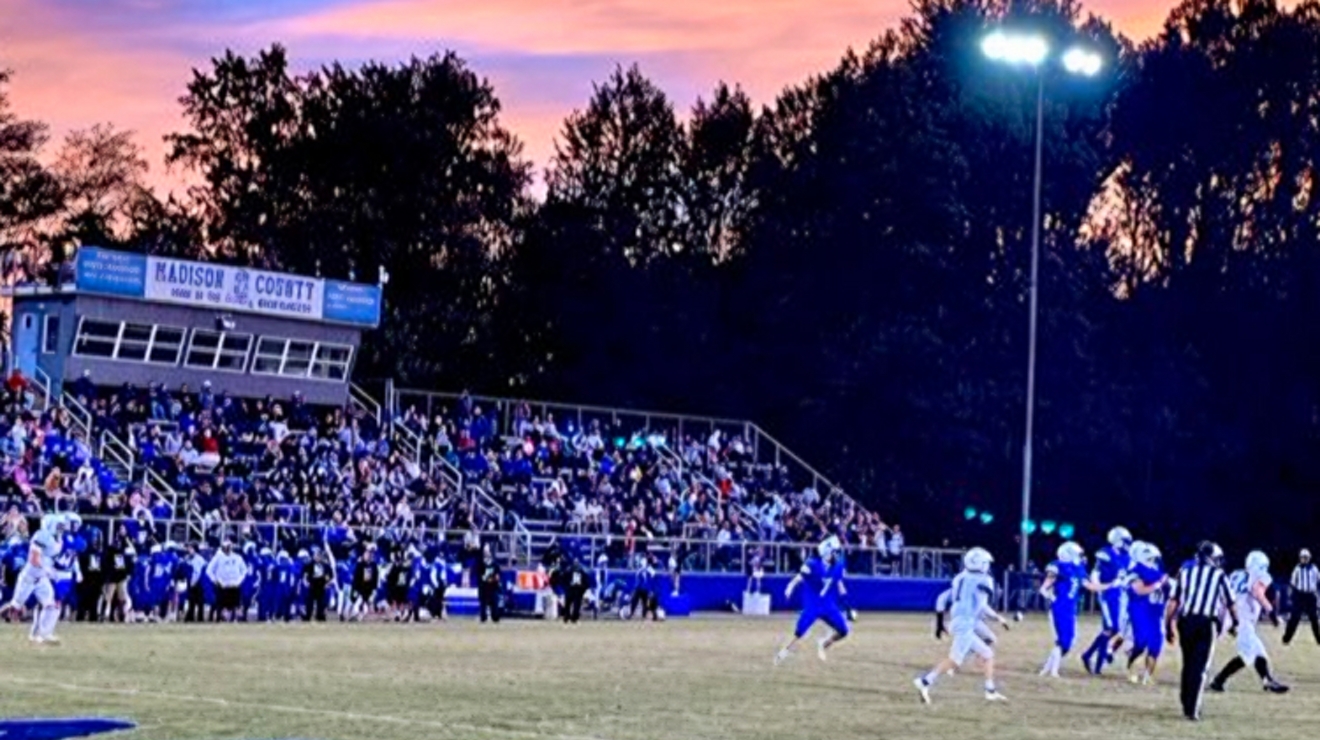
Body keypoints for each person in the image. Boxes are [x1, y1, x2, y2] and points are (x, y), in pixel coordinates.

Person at [913, 547, 1009, 703]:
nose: (988, 566)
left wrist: (939, 622)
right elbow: (982, 607)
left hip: (958, 620)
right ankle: (925, 681)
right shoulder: (984, 580)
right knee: (954, 661)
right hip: (965, 622)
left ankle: (990, 690)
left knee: (987, 654)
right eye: (986, 563)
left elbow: (945, 598)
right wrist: (996, 616)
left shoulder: (959, 578)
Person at [1165, 540, 1238, 721]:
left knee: (1188, 663)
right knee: (1200, 668)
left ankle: (1185, 700)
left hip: (1186, 621)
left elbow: (1174, 601)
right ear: (1212, 558)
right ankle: (1192, 709)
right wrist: (1235, 622)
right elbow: (1230, 602)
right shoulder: (1219, 575)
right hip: (1206, 624)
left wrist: (1168, 624)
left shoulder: (1185, 571)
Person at [1209, 550, 1289, 694]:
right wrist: (1272, 613)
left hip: (1233, 617)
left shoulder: (1235, 574)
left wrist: (1226, 621)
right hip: (1244, 620)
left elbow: (1223, 597)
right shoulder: (1261, 575)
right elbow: (1257, 591)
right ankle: (1218, 680)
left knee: (1260, 652)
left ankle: (1267, 680)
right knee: (1247, 655)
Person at [774, 535, 850, 665]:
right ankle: (785, 650)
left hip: (827, 604)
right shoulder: (813, 564)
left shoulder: (838, 564)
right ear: (827, 551)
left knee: (844, 631)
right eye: (835, 551)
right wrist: (790, 586)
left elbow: (837, 580)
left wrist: (843, 593)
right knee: (799, 631)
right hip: (813, 603)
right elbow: (800, 576)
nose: (837, 554)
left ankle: (823, 644)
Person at [2, 513, 76, 643]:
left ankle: (44, 634)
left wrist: (52, 571)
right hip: (29, 578)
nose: (60, 528)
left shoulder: (59, 540)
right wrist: (48, 570)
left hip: (41, 578)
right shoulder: (42, 535)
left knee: (51, 605)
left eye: (61, 525)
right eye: (58, 525)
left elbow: (51, 559)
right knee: (15, 608)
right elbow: (34, 558)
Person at [1039, 541, 1105, 678]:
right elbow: (1044, 587)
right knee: (1063, 640)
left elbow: (1090, 586)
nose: (1081, 557)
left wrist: (1110, 585)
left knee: (1070, 641)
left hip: (1071, 609)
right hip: (1059, 608)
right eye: (1078, 554)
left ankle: (1047, 669)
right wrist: (1051, 597)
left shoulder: (1079, 569)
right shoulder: (1059, 565)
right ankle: (1053, 671)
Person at [1082, 526, 1132, 674]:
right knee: (1113, 627)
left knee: (1110, 629)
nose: (1127, 544)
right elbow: (1095, 573)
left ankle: (1096, 664)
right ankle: (1090, 655)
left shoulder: (1126, 557)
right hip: (1108, 593)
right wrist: (1099, 586)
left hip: (1120, 595)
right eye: (1124, 541)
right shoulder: (1105, 553)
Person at [1124, 542, 1169, 685]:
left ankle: (1147, 676)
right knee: (1141, 642)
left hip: (1156, 612)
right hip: (1140, 612)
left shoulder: (1158, 573)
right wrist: (1158, 584)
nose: (1155, 562)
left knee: (1156, 644)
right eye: (1152, 559)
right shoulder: (1134, 571)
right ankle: (1130, 668)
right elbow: (1140, 590)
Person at [1283, 548, 1320, 646]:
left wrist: (1317, 596)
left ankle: (1318, 639)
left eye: (1306, 557)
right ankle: (1286, 638)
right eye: (1302, 557)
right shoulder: (1297, 569)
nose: (1304, 559)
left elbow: (1318, 582)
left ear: (1309, 558)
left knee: (1314, 619)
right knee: (1294, 618)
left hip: (1310, 596)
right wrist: (1290, 597)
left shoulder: (1314, 568)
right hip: (1299, 596)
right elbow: (1292, 584)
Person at [206, 539, 248, 622]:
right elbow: (209, 570)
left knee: (235, 604)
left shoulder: (237, 558)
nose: (227, 549)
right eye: (226, 547)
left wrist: (239, 580)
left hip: (234, 585)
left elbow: (244, 570)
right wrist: (215, 580)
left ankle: (234, 619)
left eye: (229, 547)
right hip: (222, 585)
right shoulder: (218, 558)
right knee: (220, 604)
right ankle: (219, 618)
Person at [560, 558, 592, 624]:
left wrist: (567, 586)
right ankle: (571, 617)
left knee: (571, 604)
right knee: (573, 604)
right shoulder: (581, 570)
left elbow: (563, 578)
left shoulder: (569, 570)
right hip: (575, 589)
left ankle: (569, 617)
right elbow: (586, 582)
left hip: (574, 589)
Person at [477, 546, 502, 624]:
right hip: (483, 588)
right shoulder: (480, 564)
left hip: (493, 588)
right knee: (483, 605)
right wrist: (487, 580)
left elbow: (497, 576)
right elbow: (480, 577)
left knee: (494, 605)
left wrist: (493, 580)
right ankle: (483, 617)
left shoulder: (495, 565)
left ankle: (495, 617)